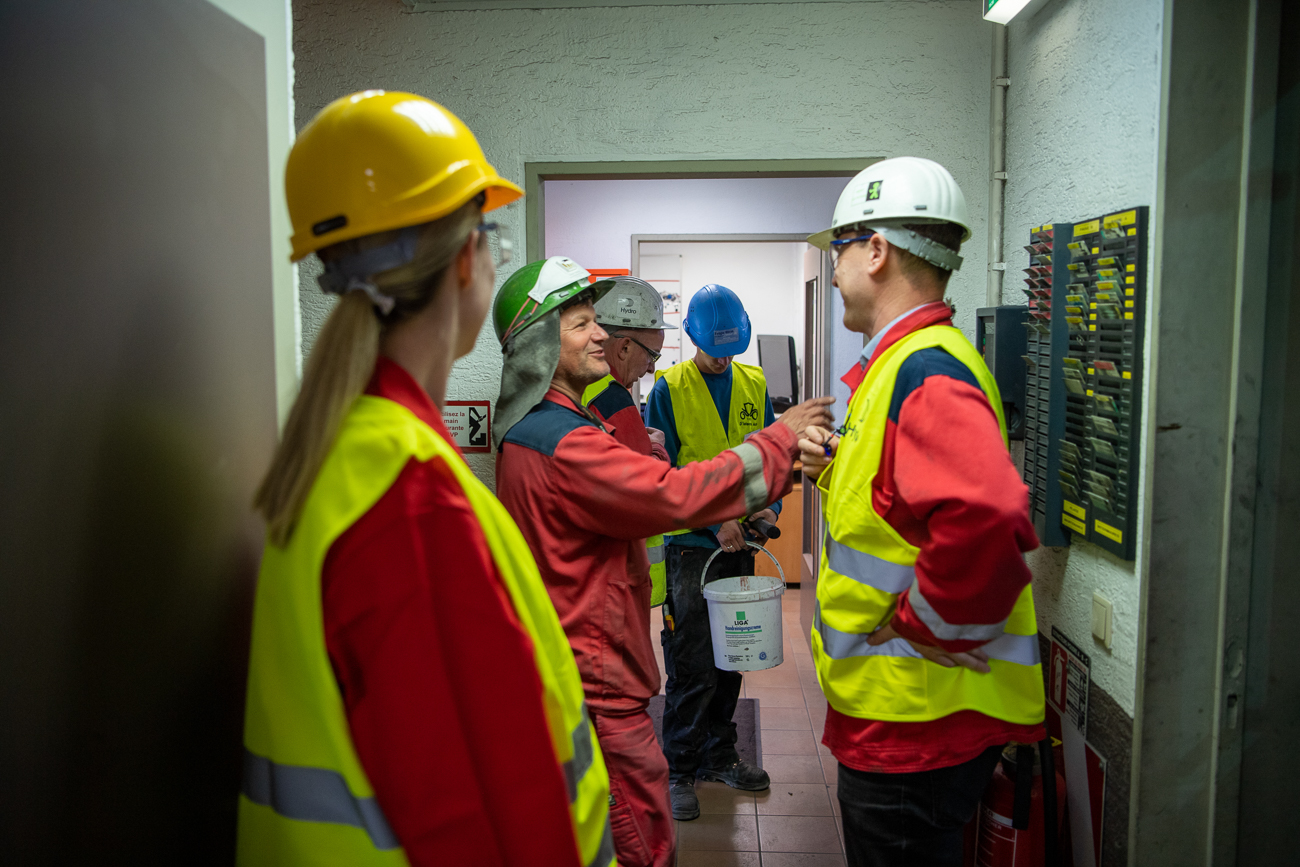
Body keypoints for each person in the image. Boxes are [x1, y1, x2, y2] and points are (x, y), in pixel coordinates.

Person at [237, 91, 613, 867]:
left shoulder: (350, 453)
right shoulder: (410, 498)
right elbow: (477, 815)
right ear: (469, 257)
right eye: (494, 236)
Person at [492, 258, 834, 867]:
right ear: (539, 340)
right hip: (598, 678)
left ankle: (717, 751)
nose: (602, 335)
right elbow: (673, 494)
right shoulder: (562, 439)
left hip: (590, 664)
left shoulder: (552, 427)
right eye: (580, 324)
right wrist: (782, 440)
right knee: (644, 839)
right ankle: (687, 761)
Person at [798, 156, 1046, 867]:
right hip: (901, 713)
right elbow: (898, 509)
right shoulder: (900, 364)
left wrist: (922, 628)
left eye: (840, 249)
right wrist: (831, 463)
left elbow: (989, 515)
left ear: (875, 251)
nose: (836, 268)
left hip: (915, 716)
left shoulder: (926, 371)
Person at [642, 284, 781, 821]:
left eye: (730, 347)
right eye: (713, 347)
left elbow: (765, 456)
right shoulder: (668, 388)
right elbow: (663, 471)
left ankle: (721, 755)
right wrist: (714, 519)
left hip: (740, 544)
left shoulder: (753, 381)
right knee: (693, 664)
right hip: (692, 548)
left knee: (732, 658)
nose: (722, 357)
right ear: (694, 338)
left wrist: (768, 511)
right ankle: (679, 769)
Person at [582, 276, 674, 604]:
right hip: (621, 582)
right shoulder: (614, 399)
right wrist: (658, 449)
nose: (650, 369)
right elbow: (650, 494)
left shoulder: (577, 388)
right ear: (623, 347)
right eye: (652, 355)